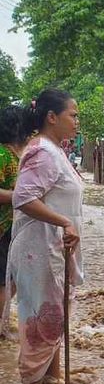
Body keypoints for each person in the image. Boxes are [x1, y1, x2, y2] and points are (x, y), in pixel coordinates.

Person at [1, 89, 83, 384]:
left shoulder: (55, 150)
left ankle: (51, 378)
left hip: (55, 250)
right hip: (41, 252)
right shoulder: (42, 152)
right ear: (51, 117)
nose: (77, 122)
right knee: (41, 321)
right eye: (72, 115)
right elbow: (23, 197)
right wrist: (63, 222)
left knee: (54, 316)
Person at [0, 106, 33, 327]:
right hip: (2, 231)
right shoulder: (2, 155)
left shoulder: (18, 155)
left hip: (12, 230)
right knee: (4, 281)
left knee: (11, 279)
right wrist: (19, 198)